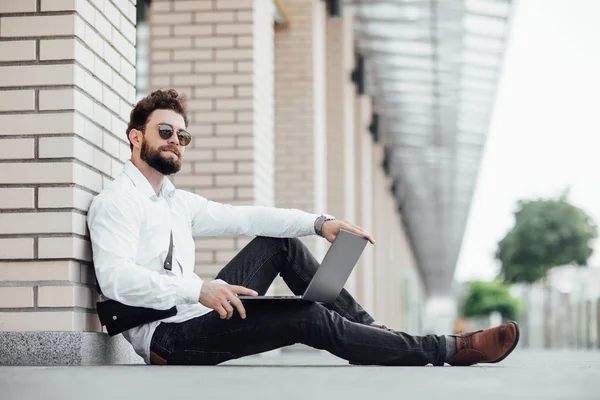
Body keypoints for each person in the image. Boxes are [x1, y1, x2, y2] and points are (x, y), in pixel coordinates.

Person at [87, 89, 519, 367]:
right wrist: (197, 289)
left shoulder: (177, 203)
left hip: (197, 310)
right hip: (170, 339)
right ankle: (446, 348)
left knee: (281, 243)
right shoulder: (117, 203)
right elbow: (116, 279)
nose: (175, 141)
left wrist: (320, 222)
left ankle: (369, 330)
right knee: (308, 316)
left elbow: (249, 218)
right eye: (164, 131)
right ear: (135, 137)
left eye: (183, 136)